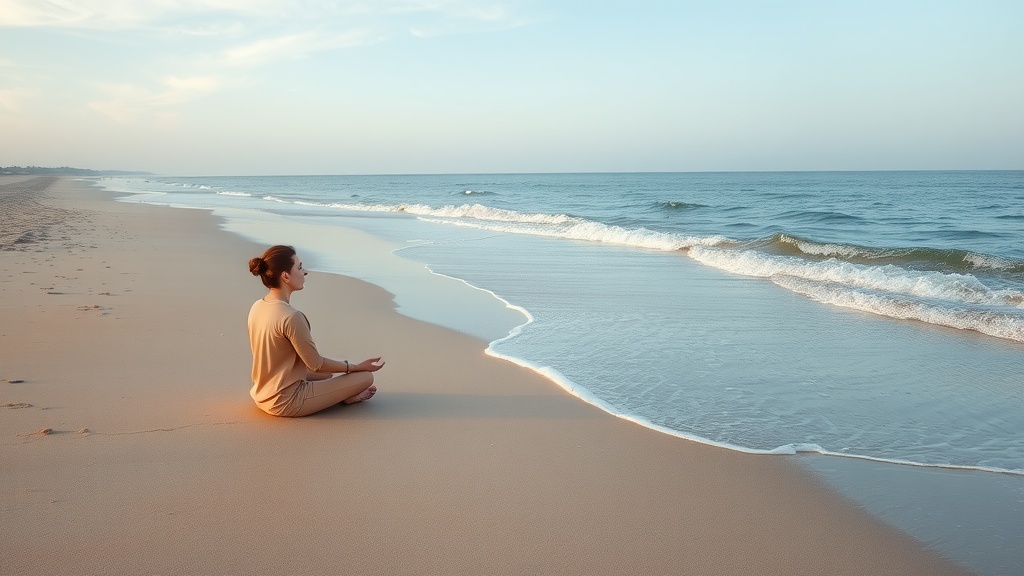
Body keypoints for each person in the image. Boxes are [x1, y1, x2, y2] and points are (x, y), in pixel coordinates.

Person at [246, 245, 384, 417]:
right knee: (365, 378)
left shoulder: (258, 306)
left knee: (328, 374)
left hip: (261, 393)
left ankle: (337, 393)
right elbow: (315, 364)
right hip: (286, 401)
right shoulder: (291, 317)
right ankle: (345, 397)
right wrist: (355, 367)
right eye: (299, 267)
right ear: (285, 276)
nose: (305, 272)